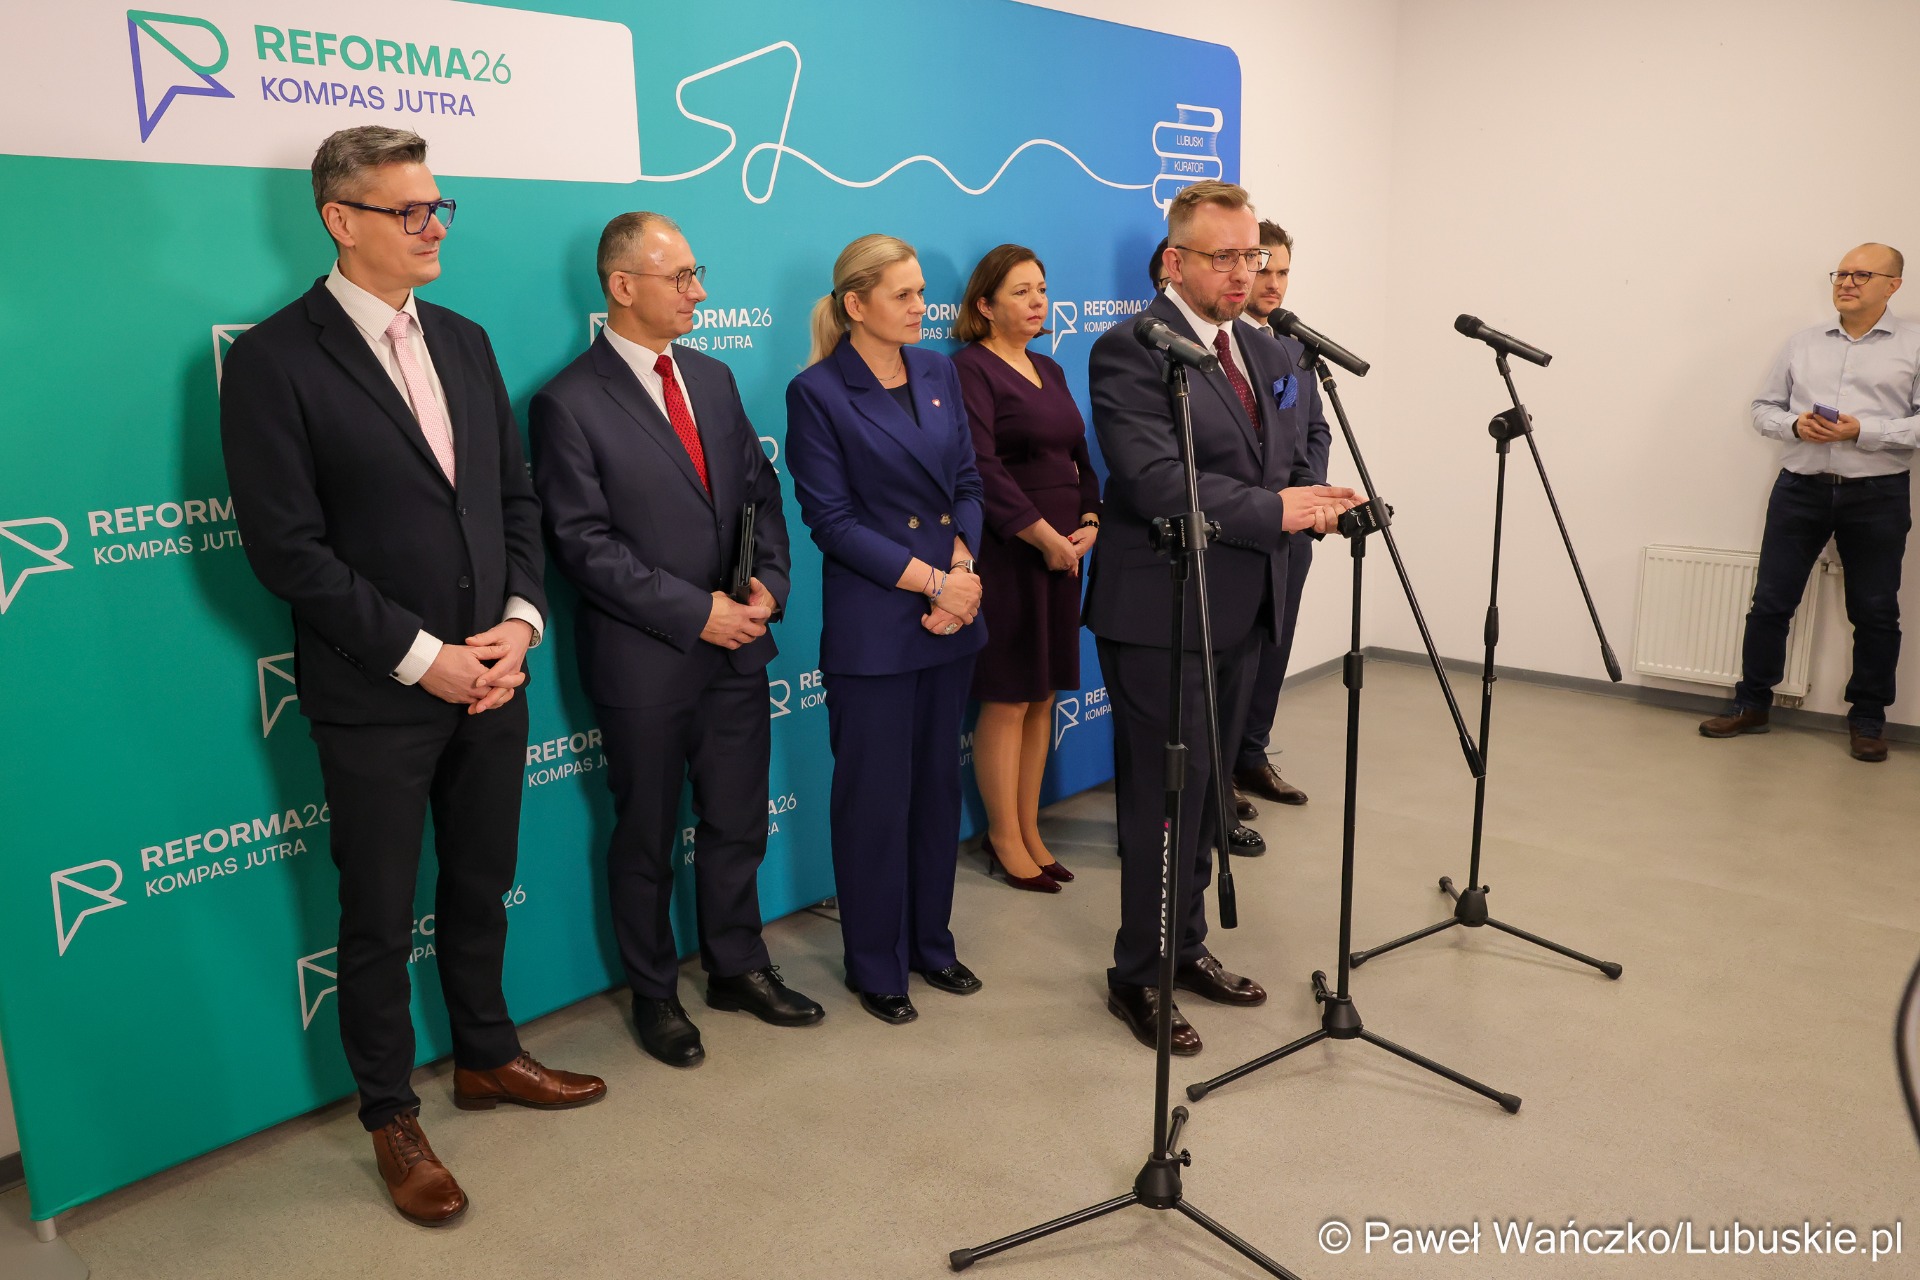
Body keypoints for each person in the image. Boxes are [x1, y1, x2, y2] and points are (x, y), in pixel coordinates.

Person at [219, 126, 604, 1228]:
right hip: (377, 695)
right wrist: (424, 657)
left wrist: (519, 626)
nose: (434, 227)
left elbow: (513, 501)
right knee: (380, 917)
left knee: (479, 883)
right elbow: (287, 551)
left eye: (440, 207)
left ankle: (487, 1054)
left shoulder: (467, 341)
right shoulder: (274, 360)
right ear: (340, 220)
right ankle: (391, 1114)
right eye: (410, 210)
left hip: (495, 679)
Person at [528, 212, 823, 1071]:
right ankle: (655, 994)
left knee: (736, 820)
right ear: (623, 286)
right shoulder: (567, 402)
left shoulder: (712, 378)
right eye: (681, 276)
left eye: (698, 273)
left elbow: (760, 495)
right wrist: (698, 612)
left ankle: (737, 965)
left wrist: (770, 583)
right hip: (645, 662)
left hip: (739, 649)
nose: (700, 292)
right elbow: (582, 545)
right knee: (646, 836)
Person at [1086, 181, 1355, 1055]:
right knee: (1163, 803)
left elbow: (1286, 455)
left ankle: (1185, 947)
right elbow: (1153, 481)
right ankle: (1139, 974)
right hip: (1161, 610)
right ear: (1175, 261)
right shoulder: (1131, 349)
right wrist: (1277, 510)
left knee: (1206, 800)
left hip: (1245, 604)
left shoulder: (1267, 351)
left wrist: (1313, 503)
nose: (1244, 273)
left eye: (1252, 257)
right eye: (1224, 258)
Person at [785, 234, 989, 1024]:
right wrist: (935, 583)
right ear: (855, 304)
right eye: (903, 294)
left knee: (936, 792)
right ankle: (876, 963)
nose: (920, 307)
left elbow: (966, 482)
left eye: (922, 292)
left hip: (952, 616)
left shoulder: (937, 372)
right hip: (878, 628)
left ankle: (931, 944)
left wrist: (963, 570)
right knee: (875, 803)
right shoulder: (817, 392)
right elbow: (832, 522)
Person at [1701, 243, 1919, 762]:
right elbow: (1763, 408)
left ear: (1893, 285)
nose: (1847, 282)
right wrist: (1794, 425)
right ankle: (1752, 704)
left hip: (1877, 494)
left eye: (1862, 275)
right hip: (1800, 489)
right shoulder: (1802, 343)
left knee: (1875, 612)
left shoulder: (1914, 345)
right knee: (1771, 603)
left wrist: (1864, 430)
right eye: (1841, 273)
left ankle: (1868, 720)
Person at [952, 245, 1102, 893]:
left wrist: (1091, 519)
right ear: (985, 306)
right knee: (1010, 695)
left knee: (1043, 695)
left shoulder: (1050, 366)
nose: (1038, 301)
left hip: (1064, 554)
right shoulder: (969, 371)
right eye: (1021, 291)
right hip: (1011, 551)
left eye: (1041, 288)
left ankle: (1031, 829)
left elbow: (1080, 456)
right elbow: (981, 469)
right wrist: (1042, 537)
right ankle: (1003, 837)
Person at [1232, 219, 1331, 812]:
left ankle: (1252, 752)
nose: (1273, 284)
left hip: (1296, 524)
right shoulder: (1222, 349)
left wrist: (1309, 494)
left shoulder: (1295, 346)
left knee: (1276, 645)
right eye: (1264, 270)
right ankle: (1219, 769)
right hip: (1246, 522)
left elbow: (1313, 429)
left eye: (1284, 273)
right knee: (1235, 653)